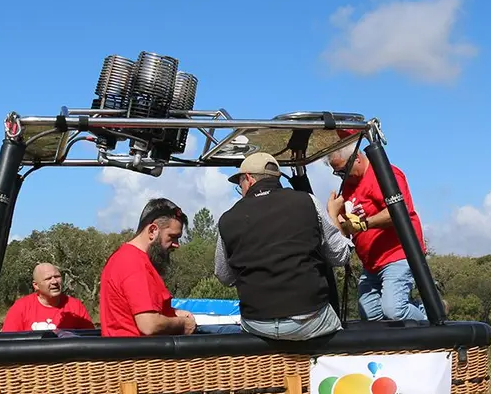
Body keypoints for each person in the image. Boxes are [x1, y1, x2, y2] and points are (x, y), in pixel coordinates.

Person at [215, 152, 351, 340]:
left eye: (240, 186)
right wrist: (334, 216)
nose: (242, 190)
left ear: (249, 179)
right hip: (309, 321)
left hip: (257, 323)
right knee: (339, 327)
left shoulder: (227, 218)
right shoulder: (308, 202)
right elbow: (340, 256)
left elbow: (224, 276)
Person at [325, 134, 429, 322]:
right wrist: (333, 214)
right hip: (372, 263)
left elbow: (398, 212)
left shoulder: (385, 176)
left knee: (395, 311)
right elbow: (343, 233)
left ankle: (429, 312)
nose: (342, 176)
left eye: (343, 170)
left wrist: (363, 224)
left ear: (356, 158)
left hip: (397, 255)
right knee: (371, 315)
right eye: (338, 173)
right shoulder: (349, 186)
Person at [97, 197, 199, 337]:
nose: (176, 244)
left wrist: (172, 313)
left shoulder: (123, 257)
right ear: (152, 231)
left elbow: (134, 313)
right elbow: (149, 325)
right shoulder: (134, 263)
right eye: (172, 236)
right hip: (137, 357)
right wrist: (183, 324)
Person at [0, 262, 95, 332]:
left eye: (57, 276)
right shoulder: (21, 307)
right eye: (48, 278)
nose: (54, 282)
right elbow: (8, 343)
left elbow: (89, 338)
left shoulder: (75, 306)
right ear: (36, 285)